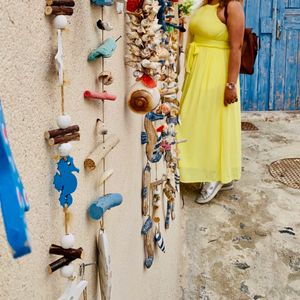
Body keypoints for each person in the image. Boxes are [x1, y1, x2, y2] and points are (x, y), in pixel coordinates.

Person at [177, 0, 245, 203]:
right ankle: (202, 169)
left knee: (214, 123)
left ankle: (215, 175)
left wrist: (231, 85)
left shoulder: (232, 6)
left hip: (218, 73)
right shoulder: (204, 5)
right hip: (198, 70)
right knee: (194, 122)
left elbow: (237, 47)